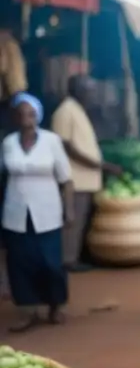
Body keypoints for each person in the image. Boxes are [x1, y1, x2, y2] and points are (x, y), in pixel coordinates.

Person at [1, 93, 74, 331]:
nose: (26, 118)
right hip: (16, 212)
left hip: (47, 211)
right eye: (21, 114)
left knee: (50, 262)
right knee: (20, 262)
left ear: (38, 116)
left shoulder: (51, 141)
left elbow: (67, 179)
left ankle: (56, 304)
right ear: (14, 117)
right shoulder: (8, 143)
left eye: (31, 113)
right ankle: (27, 309)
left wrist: (69, 209)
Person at [50, 75, 121, 272]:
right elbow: (66, 146)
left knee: (81, 221)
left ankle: (75, 256)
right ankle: (68, 260)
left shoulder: (78, 110)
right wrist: (99, 165)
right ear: (77, 90)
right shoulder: (65, 111)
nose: (92, 94)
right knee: (72, 222)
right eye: (89, 90)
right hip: (75, 179)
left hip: (86, 179)